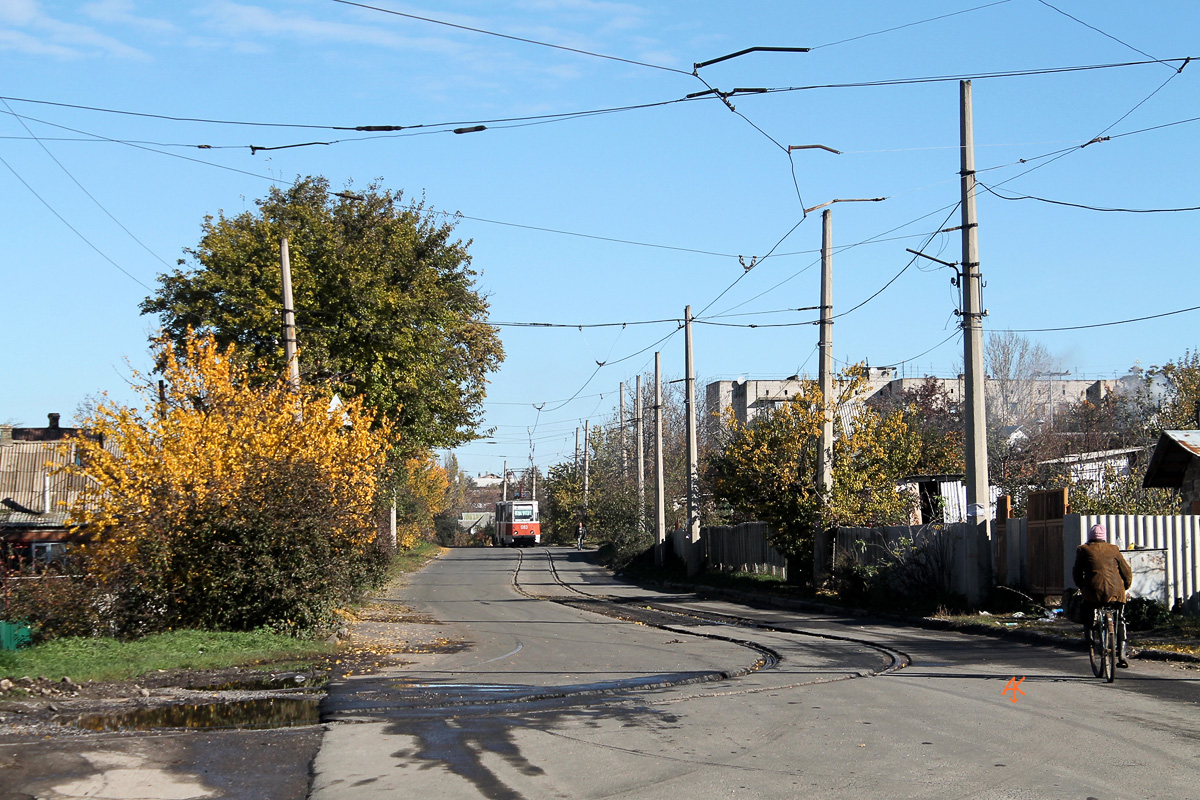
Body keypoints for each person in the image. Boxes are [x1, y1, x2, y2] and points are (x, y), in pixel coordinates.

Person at [1072, 524, 1133, 668]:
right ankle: (1122, 653)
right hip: (1116, 592)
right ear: (1104, 537)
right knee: (1120, 619)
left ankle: (1090, 638)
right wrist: (1125, 587)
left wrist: (1081, 586)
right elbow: (1127, 572)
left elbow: (1077, 573)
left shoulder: (1083, 549)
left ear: (1090, 537)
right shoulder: (1113, 549)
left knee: (1087, 611)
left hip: (1093, 592)